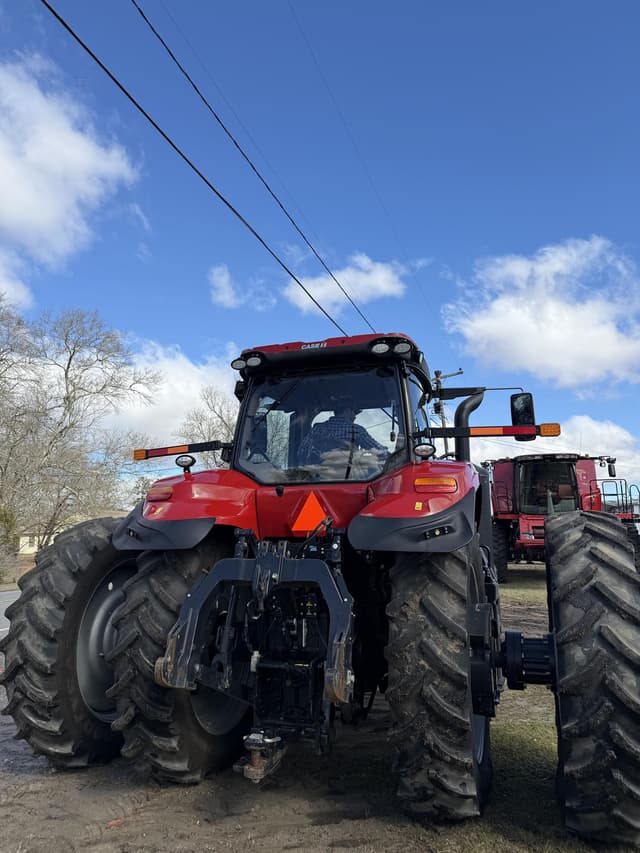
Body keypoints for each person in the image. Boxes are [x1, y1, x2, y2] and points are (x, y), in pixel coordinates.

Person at [298, 403, 385, 466]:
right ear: (347, 411)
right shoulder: (356, 430)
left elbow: (301, 452)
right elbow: (378, 450)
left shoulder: (317, 429)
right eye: (354, 412)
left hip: (318, 478)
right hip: (350, 477)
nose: (355, 417)